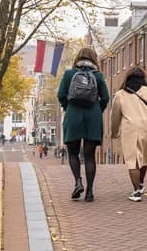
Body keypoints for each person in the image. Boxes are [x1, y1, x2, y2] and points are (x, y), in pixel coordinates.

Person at [58, 46, 110, 202]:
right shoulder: (98, 76)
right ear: (93, 59)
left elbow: (61, 95)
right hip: (92, 117)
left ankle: (77, 182)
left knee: (73, 153)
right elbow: (106, 98)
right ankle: (89, 192)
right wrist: (96, 110)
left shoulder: (69, 74)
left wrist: (69, 108)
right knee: (89, 156)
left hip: (73, 115)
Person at [110, 66, 147, 202]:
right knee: (144, 156)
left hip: (131, 128)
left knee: (132, 160)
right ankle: (141, 183)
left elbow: (115, 117)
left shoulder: (120, 94)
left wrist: (114, 133)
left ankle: (137, 191)